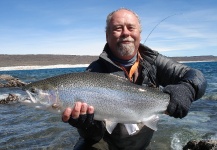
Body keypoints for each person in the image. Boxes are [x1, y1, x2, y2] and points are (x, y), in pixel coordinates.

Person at [62, 8, 207, 150]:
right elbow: (92, 136)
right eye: (118, 28)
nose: (126, 33)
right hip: (102, 144)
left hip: (140, 144)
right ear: (107, 35)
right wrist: (85, 124)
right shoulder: (93, 72)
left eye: (131, 28)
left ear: (139, 34)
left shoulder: (154, 61)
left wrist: (188, 88)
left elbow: (197, 76)